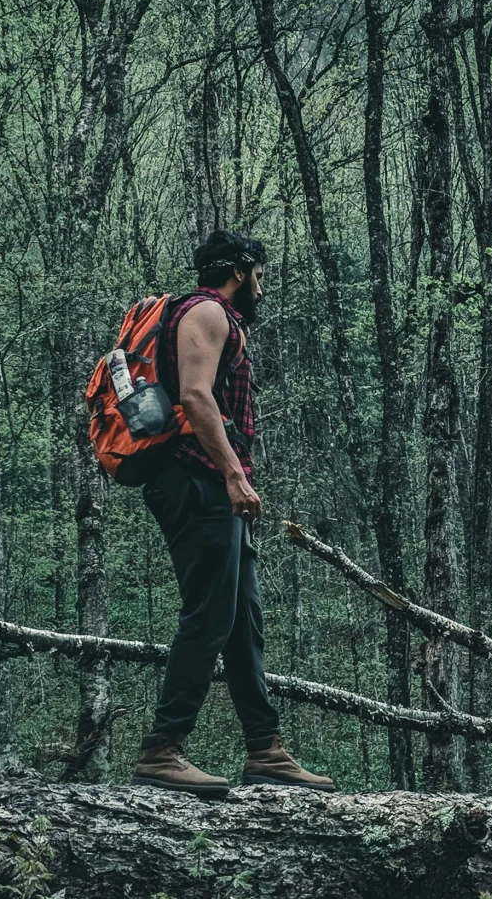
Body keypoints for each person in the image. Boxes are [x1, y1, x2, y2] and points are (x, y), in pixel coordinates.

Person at [128, 230, 336, 796]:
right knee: (212, 614)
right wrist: (234, 475)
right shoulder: (207, 313)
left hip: (208, 483)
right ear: (240, 271)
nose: (262, 288)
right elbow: (196, 397)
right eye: (259, 276)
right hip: (196, 481)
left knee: (243, 621)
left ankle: (265, 750)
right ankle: (162, 749)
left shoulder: (207, 316)